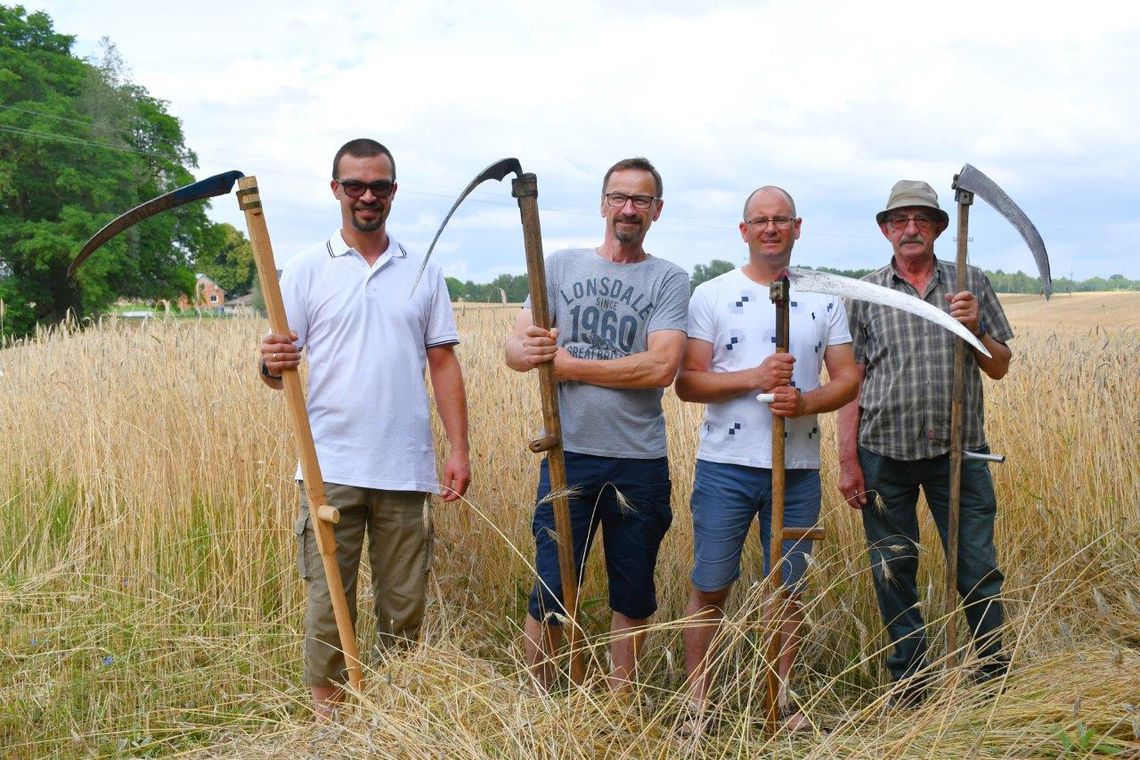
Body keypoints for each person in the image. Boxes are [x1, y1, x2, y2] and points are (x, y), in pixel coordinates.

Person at [259, 138, 471, 718]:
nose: (367, 196)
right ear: (336, 190)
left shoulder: (422, 270)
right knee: (329, 599)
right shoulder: (306, 269)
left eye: (378, 186)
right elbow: (278, 369)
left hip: (404, 465)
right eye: (355, 186)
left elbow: (443, 361)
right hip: (330, 466)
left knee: (404, 602)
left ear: (394, 192)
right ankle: (330, 720)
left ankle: (396, 718)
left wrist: (459, 448)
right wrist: (271, 363)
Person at [675, 186, 859, 731]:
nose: (771, 228)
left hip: (797, 467)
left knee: (787, 589)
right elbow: (688, 382)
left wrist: (804, 402)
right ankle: (699, 704)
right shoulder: (712, 295)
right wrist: (754, 377)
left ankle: (777, 703)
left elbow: (847, 378)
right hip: (726, 465)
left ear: (797, 228)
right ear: (744, 230)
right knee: (711, 583)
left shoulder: (824, 297)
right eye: (760, 220)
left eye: (781, 220)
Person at [504, 157, 689, 691]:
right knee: (551, 586)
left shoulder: (669, 279)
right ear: (603, 203)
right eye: (619, 197)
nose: (628, 208)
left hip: (639, 461)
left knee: (632, 592)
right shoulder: (560, 267)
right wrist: (528, 350)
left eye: (641, 200)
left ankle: (618, 705)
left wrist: (568, 367)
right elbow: (515, 349)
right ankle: (538, 701)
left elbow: (661, 367)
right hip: (569, 453)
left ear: (656, 210)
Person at [837, 180, 1013, 705]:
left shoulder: (969, 284)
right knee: (893, 570)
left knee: (975, 565)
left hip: (959, 452)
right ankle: (911, 683)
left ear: (938, 227)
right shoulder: (867, 293)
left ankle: (992, 678)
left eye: (921, 220)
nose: (910, 229)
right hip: (882, 453)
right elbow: (850, 382)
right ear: (886, 230)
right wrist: (847, 459)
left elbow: (999, 366)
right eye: (900, 220)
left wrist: (976, 328)